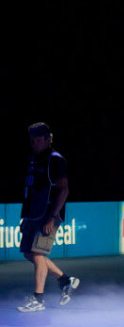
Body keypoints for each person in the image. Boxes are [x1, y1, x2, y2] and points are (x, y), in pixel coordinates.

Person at [17, 123, 80, 313]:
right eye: (31, 140)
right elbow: (31, 190)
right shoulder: (34, 158)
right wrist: (26, 217)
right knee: (30, 253)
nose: (33, 143)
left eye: (37, 140)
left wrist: (52, 217)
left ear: (47, 139)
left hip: (48, 215)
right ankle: (65, 280)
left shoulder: (55, 160)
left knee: (37, 253)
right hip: (33, 214)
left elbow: (64, 189)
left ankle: (38, 299)